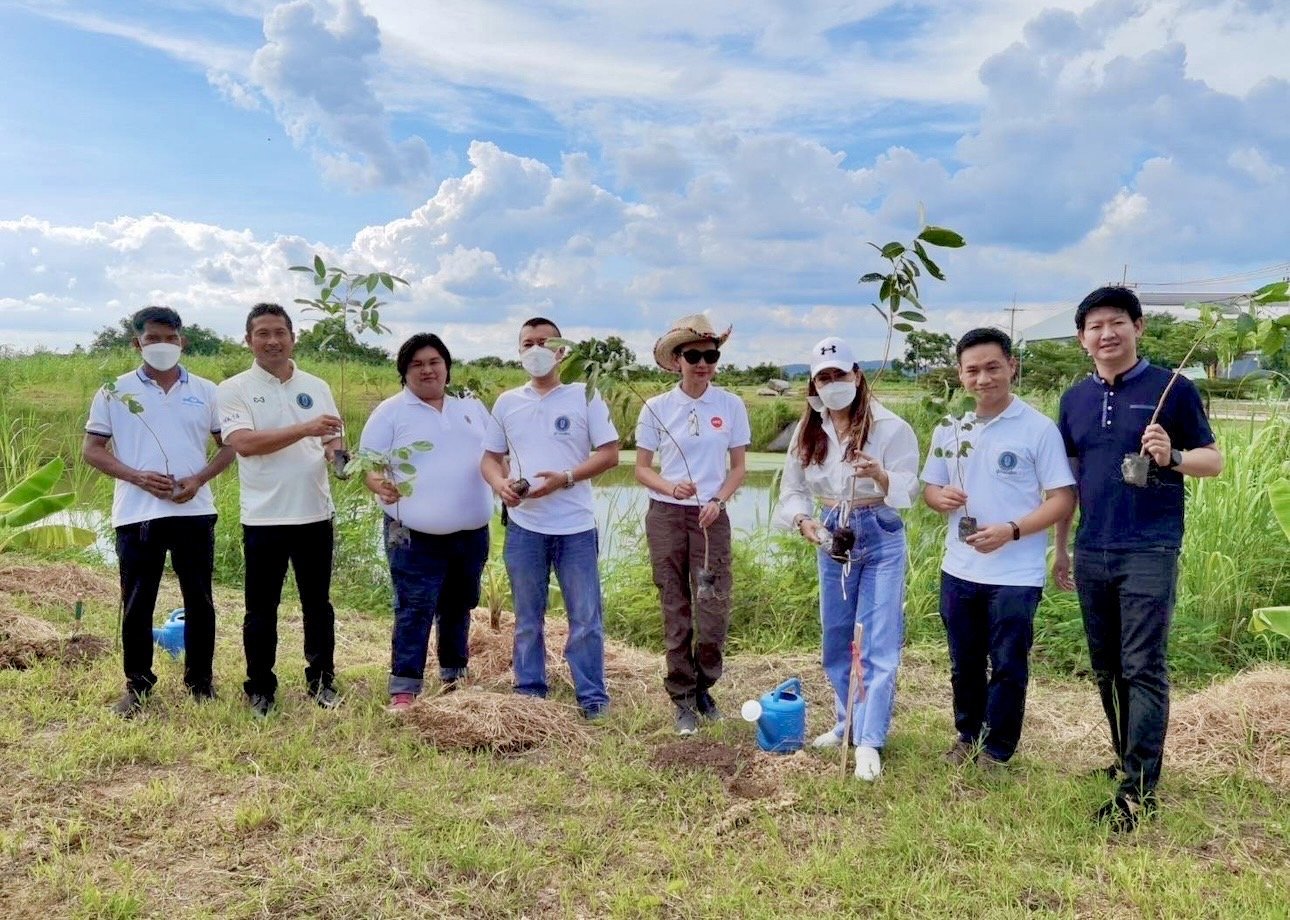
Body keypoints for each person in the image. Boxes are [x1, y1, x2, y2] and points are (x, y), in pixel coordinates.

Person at [1054, 286, 1223, 831]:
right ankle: (1127, 759)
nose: (1107, 333)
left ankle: (1138, 793)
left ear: (1138, 327)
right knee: (1106, 666)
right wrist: (1062, 548)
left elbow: (1212, 460)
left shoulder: (1172, 388)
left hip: (1150, 546)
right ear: (1082, 339)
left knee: (1142, 665)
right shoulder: (1074, 400)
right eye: (1095, 326)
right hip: (1093, 545)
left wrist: (1171, 455)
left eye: (1116, 322)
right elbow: (1069, 483)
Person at [921, 328, 1075, 770]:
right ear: (960, 375)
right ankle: (967, 735)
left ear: (1012, 366)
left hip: (1014, 574)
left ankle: (998, 750)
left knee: (1008, 665)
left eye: (992, 367)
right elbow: (930, 488)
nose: (983, 378)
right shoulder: (951, 427)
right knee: (963, 662)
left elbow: (1062, 498)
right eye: (973, 370)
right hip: (960, 568)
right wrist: (940, 497)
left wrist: (1011, 530)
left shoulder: (1038, 429)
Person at [772, 336, 920, 780]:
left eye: (840, 374)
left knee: (877, 639)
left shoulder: (890, 427)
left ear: (856, 374)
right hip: (832, 531)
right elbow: (793, 489)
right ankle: (847, 721)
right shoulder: (808, 431)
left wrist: (880, 473)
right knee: (837, 637)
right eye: (823, 377)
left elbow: (910, 489)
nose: (833, 383)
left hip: (879, 529)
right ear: (813, 386)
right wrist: (804, 522)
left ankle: (869, 741)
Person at [83, 306, 236, 716]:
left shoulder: (207, 391)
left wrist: (199, 479)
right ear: (137, 343)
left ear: (182, 341)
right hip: (137, 514)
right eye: (153, 339)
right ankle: (138, 686)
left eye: (170, 338)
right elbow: (92, 450)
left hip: (194, 511)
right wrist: (136, 476)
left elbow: (229, 446)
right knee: (137, 601)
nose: (163, 346)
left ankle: (200, 682)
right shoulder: (114, 391)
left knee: (200, 600)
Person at [480, 317, 619, 719]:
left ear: (561, 351)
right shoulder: (508, 402)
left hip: (575, 527)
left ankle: (592, 697)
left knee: (586, 618)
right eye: (527, 343)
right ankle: (529, 691)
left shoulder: (584, 396)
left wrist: (566, 478)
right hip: (525, 527)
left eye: (545, 342)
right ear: (519, 350)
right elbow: (490, 458)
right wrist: (500, 484)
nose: (535, 350)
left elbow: (609, 453)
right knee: (527, 617)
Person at [216, 303, 347, 717]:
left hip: (314, 514)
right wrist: (305, 429)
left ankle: (322, 679)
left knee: (318, 604)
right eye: (262, 333)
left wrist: (341, 459)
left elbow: (333, 441)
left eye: (280, 332)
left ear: (294, 337)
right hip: (265, 517)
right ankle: (259, 687)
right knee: (261, 609)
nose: (272, 341)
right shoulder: (233, 388)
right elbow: (245, 444)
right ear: (249, 340)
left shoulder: (318, 385)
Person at [359, 333, 492, 712]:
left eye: (434, 362)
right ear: (404, 373)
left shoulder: (470, 407)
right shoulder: (390, 412)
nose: (427, 370)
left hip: (471, 533)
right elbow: (367, 465)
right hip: (413, 535)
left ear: (447, 367)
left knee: (459, 604)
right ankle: (405, 687)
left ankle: (454, 674)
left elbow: (496, 454)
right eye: (416, 364)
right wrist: (378, 484)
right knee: (414, 606)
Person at [635, 314, 750, 735]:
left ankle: (706, 685)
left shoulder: (731, 405)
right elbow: (642, 469)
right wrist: (670, 485)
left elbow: (738, 468)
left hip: (710, 517)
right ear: (677, 359)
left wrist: (718, 500)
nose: (703, 363)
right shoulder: (657, 407)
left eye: (711, 355)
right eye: (694, 355)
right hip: (666, 514)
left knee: (713, 603)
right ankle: (682, 697)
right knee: (675, 604)